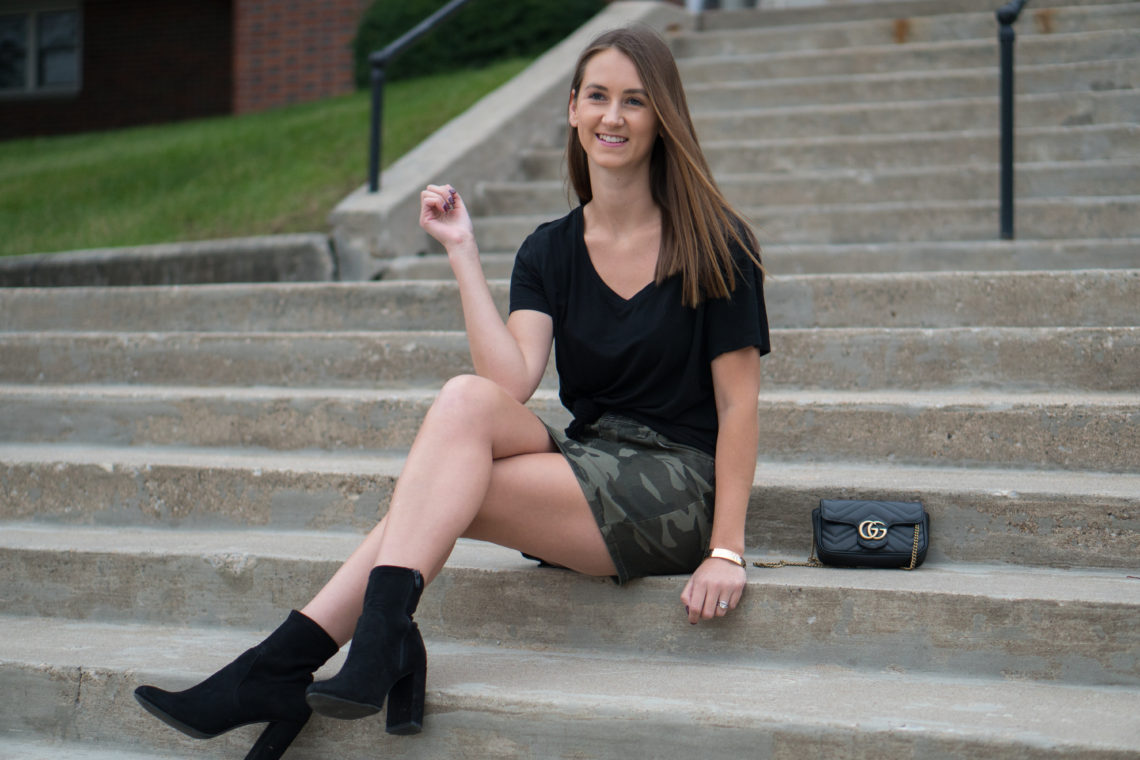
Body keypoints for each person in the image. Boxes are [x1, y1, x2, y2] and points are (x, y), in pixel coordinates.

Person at [132, 24, 769, 760]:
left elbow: (738, 405)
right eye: (597, 96)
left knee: (438, 494)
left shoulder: (717, 242)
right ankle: (355, 648)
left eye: (635, 100)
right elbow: (511, 382)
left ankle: (298, 663)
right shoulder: (548, 250)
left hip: (676, 484)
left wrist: (726, 547)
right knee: (464, 402)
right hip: (589, 465)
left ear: (663, 117)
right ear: (571, 109)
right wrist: (464, 252)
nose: (613, 117)